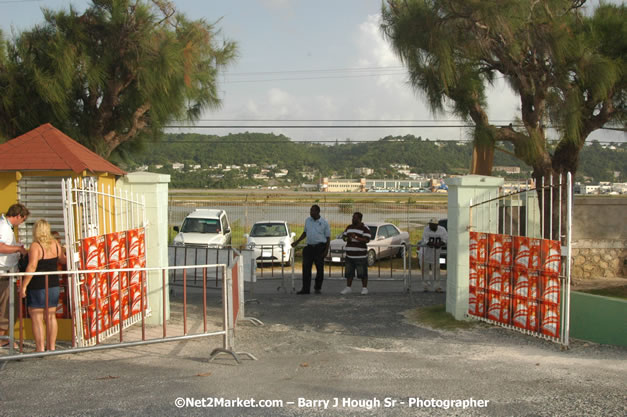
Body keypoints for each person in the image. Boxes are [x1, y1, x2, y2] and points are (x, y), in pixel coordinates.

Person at [19, 219, 66, 352]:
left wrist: (24, 285)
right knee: (51, 316)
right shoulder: (56, 244)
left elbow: (32, 266)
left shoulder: (36, 245)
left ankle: (40, 348)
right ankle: (51, 347)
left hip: (38, 285)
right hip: (53, 284)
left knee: (37, 316)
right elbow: (62, 260)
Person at [0, 203, 30, 348]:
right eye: (23, 220)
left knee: (8, 307)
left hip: (7, 272)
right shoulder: (3, 227)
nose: (21, 223)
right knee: (7, 307)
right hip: (3, 274)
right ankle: (1, 338)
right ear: (18, 216)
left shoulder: (6, 227)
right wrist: (18, 248)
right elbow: (0, 247)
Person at [291, 205, 330, 294]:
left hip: (320, 247)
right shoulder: (307, 221)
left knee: (319, 269)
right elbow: (305, 233)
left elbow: (328, 238)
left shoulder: (324, 222)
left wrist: (326, 250)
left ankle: (317, 287)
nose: (311, 212)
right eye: (310, 210)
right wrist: (297, 241)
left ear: (318, 212)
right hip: (309, 247)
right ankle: (305, 289)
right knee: (306, 268)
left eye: (312, 211)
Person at [339, 212, 371, 295]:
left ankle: (364, 288)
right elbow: (344, 236)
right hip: (349, 255)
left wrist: (356, 237)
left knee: (362, 273)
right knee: (349, 273)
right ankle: (348, 287)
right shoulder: (349, 227)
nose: (353, 219)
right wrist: (347, 238)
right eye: (352, 217)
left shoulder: (364, 228)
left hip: (360, 255)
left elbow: (367, 240)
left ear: (359, 219)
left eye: (355, 218)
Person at [418, 218, 448, 292]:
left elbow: (445, 239)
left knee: (436, 271)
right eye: (430, 224)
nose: (430, 226)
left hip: (436, 254)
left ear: (436, 225)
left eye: (432, 225)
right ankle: (425, 286)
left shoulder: (442, 230)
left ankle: (437, 287)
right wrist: (434, 244)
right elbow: (426, 240)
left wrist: (439, 244)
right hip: (425, 253)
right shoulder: (426, 229)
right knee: (425, 271)